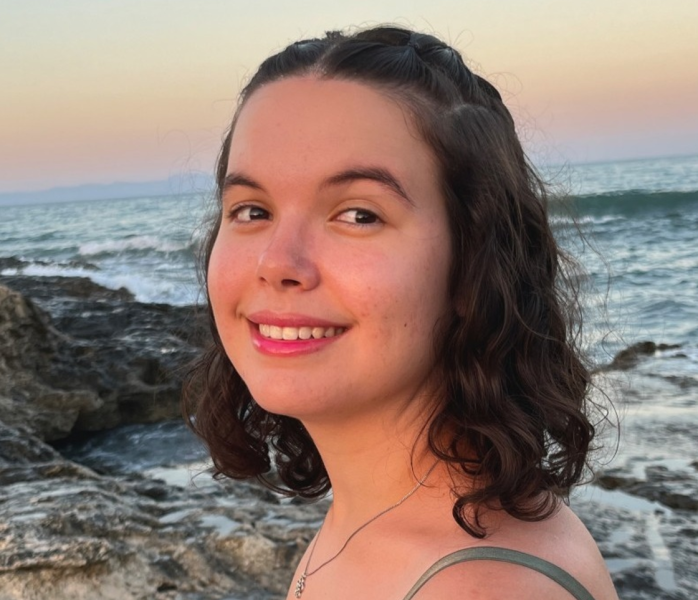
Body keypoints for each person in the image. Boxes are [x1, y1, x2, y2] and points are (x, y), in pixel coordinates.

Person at [185, 25, 619, 600]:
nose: (277, 263)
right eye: (251, 210)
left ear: (473, 263)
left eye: (359, 214)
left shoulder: (481, 588)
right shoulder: (376, 516)